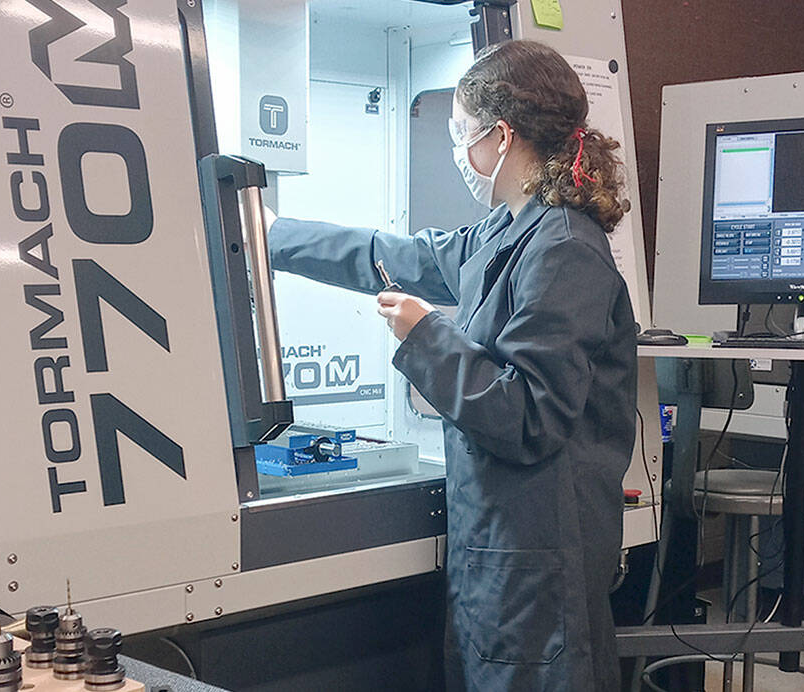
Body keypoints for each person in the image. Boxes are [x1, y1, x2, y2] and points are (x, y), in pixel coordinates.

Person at [267, 39, 638, 690]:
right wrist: (269, 234)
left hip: (541, 554)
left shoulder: (565, 249)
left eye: (461, 132)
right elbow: (393, 255)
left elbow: (529, 417)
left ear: (501, 135)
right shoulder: (505, 229)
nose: (457, 149)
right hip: (502, 545)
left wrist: (425, 335)